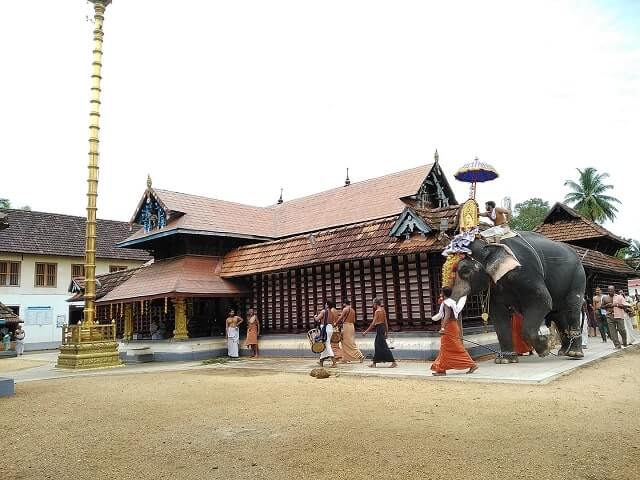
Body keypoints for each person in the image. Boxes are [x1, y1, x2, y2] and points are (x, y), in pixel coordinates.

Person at [431, 288, 477, 376]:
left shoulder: (447, 303)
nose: (440, 294)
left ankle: (470, 364)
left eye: (441, 292)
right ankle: (441, 368)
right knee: (452, 347)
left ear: (443, 294)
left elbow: (447, 316)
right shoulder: (451, 301)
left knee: (447, 347)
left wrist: (443, 328)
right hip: (453, 326)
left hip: (449, 327)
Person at [362, 298, 397, 368]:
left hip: (379, 328)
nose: (373, 305)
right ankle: (374, 363)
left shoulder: (377, 311)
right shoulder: (383, 310)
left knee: (383, 346)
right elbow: (386, 322)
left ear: (375, 303)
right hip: (382, 328)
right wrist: (387, 332)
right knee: (378, 345)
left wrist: (366, 332)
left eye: (373, 303)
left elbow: (373, 323)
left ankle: (393, 362)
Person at [337, 299, 364, 363]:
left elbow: (341, 318)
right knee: (347, 342)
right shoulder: (353, 310)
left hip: (346, 326)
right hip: (352, 326)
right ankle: (345, 358)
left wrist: (336, 323)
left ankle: (360, 355)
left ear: (344, 303)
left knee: (348, 343)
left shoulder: (345, 309)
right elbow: (354, 321)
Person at [314, 301, 337, 368]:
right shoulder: (332, 313)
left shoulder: (323, 311)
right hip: (330, 329)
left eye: (326, 303)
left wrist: (315, 316)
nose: (325, 304)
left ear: (327, 305)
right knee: (324, 344)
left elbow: (317, 319)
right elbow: (332, 322)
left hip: (325, 329)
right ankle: (321, 361)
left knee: (327, 344)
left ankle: (334, 362)